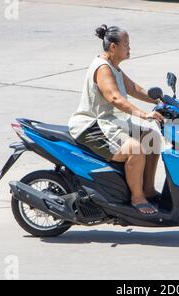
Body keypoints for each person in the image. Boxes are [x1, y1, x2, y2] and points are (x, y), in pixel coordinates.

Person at [68, 24, 164, 215]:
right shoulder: (103, 68)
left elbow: (133, 88)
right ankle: (137, 198)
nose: (129, 48)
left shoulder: (114, 67)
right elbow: (115, 98)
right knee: (135, 149)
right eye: (126, 44)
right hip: (94, 126)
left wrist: (161, 100)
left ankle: (147, 189)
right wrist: (144, 114)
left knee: (152, 138)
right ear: (113, 47)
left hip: (112, 123)